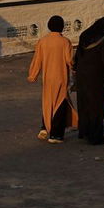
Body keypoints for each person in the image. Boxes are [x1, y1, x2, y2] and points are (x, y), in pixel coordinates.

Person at [73, 16, 104, 146]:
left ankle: (84, 131)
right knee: (96, 106)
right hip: (95, 77)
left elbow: (78, 55)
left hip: (82, 75)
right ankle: (94, 136)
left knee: (84, 103)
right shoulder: (103, 41)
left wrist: (75, 69)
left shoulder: (84, 35)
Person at [27, 15, 74, 143]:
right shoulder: (65, 42)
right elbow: (69, 61)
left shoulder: (43, 41)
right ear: (62, 27)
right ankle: (56, 135)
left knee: (48, 103)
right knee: (60, 104)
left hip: (47, 78)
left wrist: (33, 75)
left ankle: (44, 127)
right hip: (61, 78)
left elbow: (37, 60)